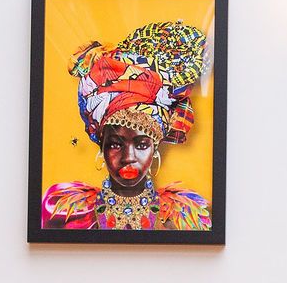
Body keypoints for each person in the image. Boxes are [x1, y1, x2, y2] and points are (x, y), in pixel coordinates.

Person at [41, 21, 211, 231]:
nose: (129, 156)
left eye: (141, 144)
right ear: (100, 144)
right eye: (115, 144)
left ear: (155, 148)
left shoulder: (184, 217)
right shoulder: (65, 211)